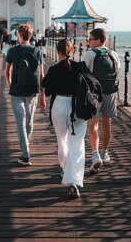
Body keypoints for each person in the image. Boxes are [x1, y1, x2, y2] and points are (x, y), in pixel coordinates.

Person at [42, 39, 87, 199]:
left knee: (62, 141)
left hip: (59, 105)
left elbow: (47, 90)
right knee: (77, 144)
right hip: (78, 107)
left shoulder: (53, 70)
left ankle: (64, 169)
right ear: (72, 51)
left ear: (59, 52)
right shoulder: (80, 67)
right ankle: (73, 181)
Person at [5, 24, 46, 166]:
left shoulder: (13, 51)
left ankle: (25, 154)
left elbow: (6, 71)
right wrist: (43, 95)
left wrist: (10, 84)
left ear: (20, 36)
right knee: (29, 121)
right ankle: (25, 144)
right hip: (33, 90)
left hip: (17, 90)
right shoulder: (37, 51)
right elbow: (42, 75)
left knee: (20, 122)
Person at [83, 28, 120, 173]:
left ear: (98, 40)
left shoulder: (90, 54)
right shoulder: (114, 54)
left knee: (93, 123)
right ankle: (105, 153)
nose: (88, 42)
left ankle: (95, 154)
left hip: (94, 93)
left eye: (90, 39)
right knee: (107, 122)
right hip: (110, 92)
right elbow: (117, 71)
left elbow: (84, 74)